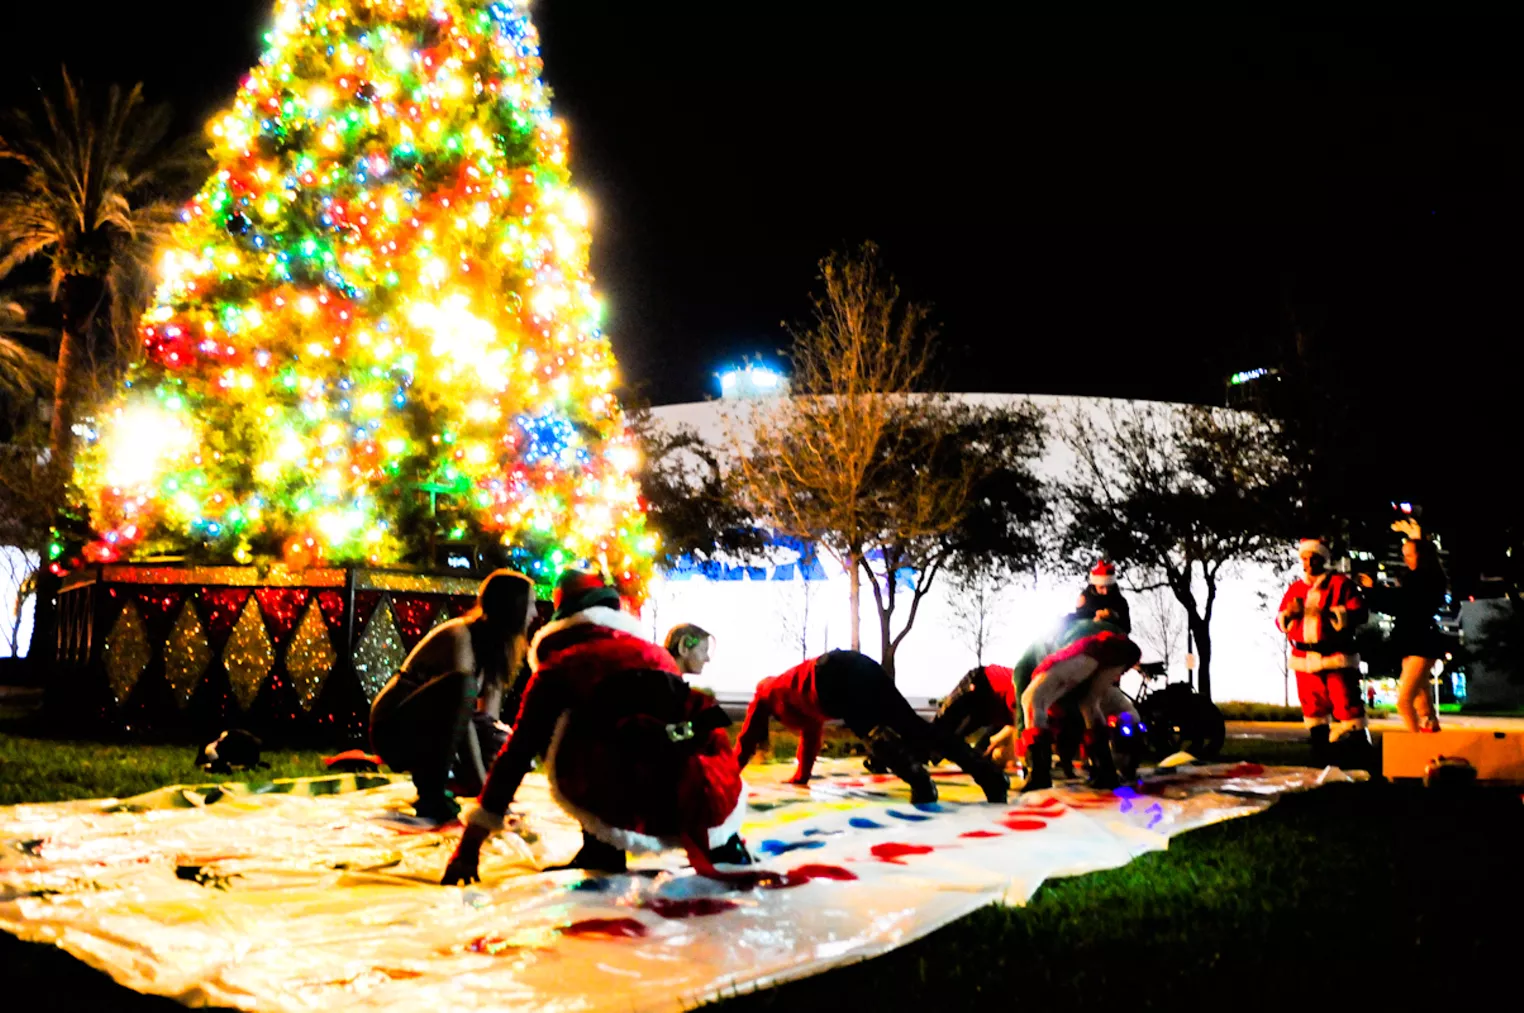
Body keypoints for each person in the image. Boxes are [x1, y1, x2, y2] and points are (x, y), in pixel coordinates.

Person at [442, 569, 765, 886]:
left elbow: (519, 750)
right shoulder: (653, 653)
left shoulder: (563, 663)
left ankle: (602, 848)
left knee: (577, 730)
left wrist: (469, 847)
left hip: (625, 788)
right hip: (706, 784)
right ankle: (717, 845)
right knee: (621, 728)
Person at [733, 649, 1009, 805]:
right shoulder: (792, 690)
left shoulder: (765, 692)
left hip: (832, 674)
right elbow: (811, 735)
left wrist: (730, 775)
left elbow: (746, 739)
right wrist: (801, 776)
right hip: (856, 663)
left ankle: (921, 783)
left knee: (870, 732)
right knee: (914, 727)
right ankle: (989, 776)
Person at [369, 570, 537, 824]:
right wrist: (486, 794)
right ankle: (432, 793)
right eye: (531, 605)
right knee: (464, 684)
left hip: (431, 731)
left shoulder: (498, 650)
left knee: (505, 744)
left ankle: (456, 782)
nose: (535, 614)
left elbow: (486, 721)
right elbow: (461, 710)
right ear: (513, 607)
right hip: (394, 732)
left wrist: (506, 759)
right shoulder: (460, 636)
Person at [1277, 539, 1372, 768]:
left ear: (1323, 559)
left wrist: (1329, 613)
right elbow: (1281, 621)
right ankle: (1322, 757)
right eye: (1304, 559)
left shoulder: (1341, 584)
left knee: (1347, 704)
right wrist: (1289, 614)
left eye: (1312, 558)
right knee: (1312, 708)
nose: (1307, 563)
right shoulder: (1296, 588)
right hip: (1303, 659)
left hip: (1335, 658)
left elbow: (1359, 613)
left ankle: (1361, 757)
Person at [1017, 630, 1143, 791]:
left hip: (1092, 653)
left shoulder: (1043, 669)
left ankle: (1039, 774)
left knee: (1032, 699)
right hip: (1107, 651)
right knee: (1089, 703)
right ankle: (1105, 771)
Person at [1357, 531, 1448, 733]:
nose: (1405, 560)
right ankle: (1430, 735)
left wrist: (1373, 590)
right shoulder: (1428, 578)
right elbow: (1402, 601)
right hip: (1417, 643)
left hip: (1419, 643)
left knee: (1404, 701)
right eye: (1404, 555)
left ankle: (1415, 742)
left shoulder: (1421, 579)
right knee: (1422, 702)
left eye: (1409, 555)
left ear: (1421, 556)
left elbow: (1401, 603)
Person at [1075, 560, 1131, 633]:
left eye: (1109, 587)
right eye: (1101, 587)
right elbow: (1078, 623)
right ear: (1094, 586)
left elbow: (1127, 629)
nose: (1106, 592)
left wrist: (1116, 618)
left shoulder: (1120, 602)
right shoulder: (1085, 599)